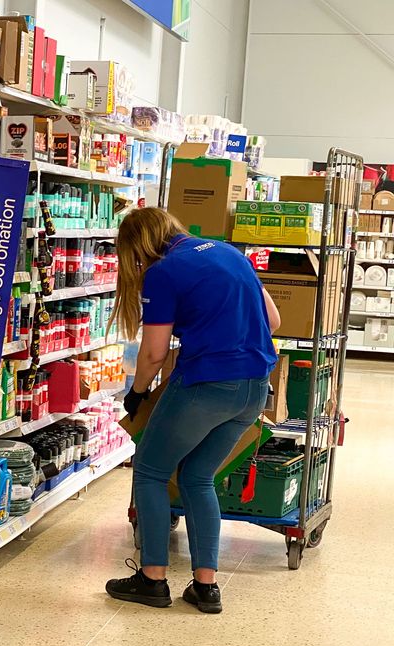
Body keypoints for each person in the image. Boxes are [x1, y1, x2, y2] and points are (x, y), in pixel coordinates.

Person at [104, 208, 279, 614]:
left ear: (138, 247)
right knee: (198, 477)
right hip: (254, 388)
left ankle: (152, 579)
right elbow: (273, 318)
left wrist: (138, 391)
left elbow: (153, 352)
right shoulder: (230, 252)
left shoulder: (163, 273)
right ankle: (206, 587)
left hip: (205, 386)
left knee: (149, 471)